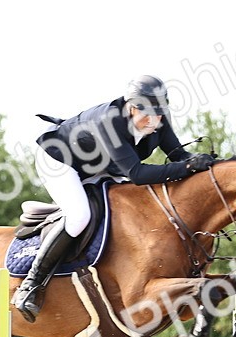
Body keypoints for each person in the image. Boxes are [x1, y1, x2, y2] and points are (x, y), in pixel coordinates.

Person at [12, 75, 217, 322]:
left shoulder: (158, 119)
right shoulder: (109, 122)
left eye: (160, 114)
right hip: (60, 161)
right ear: (132, 108)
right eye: (149, 115)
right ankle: (31, 284)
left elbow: (178, 155)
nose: (156, 121)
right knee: (79, 216)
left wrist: (208, 166)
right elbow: (138, 174)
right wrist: (186, 168)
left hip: (102, 164)